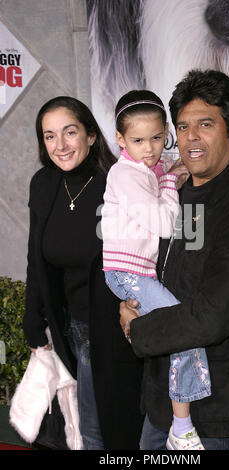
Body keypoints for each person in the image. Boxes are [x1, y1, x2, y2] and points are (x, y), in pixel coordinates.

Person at [120, 70, 229, 450]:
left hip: (216, 412)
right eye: (182, 126)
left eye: (205, 124)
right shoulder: (182, 193)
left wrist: (137, 329)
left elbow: (212, 316)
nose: (190, 137)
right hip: (166, 400)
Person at [22, 96, 144, 450]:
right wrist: (33, 320)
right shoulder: (43, 184)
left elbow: (144, 258)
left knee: (99, 434)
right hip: (67, 330)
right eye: (49, 136)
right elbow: (36, 256)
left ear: (91, 135)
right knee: (78, 431)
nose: (60, 145)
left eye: (69, 132)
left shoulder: (118, 183)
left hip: (111, 331)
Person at [101, 89, 210, 450]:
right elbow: (165, 224)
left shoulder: (146, 167)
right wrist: (168, 184)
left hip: (137, 273)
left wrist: (168, 171)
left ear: (166, 132)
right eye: (138, 140)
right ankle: (181, 427)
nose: (149, 149)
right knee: (184, 333)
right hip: (128, 274)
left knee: (180, 335)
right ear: (119, 139)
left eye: (157, 138)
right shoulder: (126, 176)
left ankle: (181, 425)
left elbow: (167, 167)